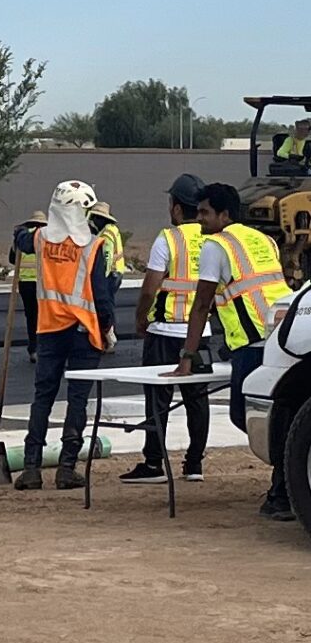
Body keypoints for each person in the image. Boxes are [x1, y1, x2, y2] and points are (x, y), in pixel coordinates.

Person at [169, 182, 291, 520]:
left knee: (246, 415)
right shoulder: (263, 239)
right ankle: (284, 485)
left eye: (206, 212)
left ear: (224, 215)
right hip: (282, 336)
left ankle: (283, 488)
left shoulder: (215, 245)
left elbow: (202, 304)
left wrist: (186, 358)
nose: (200, 218)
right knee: (277, 416)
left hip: (253, 343)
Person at [15, 179, 118, 492]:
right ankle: (66, 469)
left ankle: (31, 468)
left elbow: (19, 238)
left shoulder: (41, 240)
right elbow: (101, 296)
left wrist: (27, 228)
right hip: (84, 331)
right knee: (77, 399)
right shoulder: (94, 245)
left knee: (42, 396)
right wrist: (108, 327)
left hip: (49, 330)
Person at [124, 174, 211, 484]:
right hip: (200, 333)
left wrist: (140, 318)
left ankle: (153, 463)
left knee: (157, 398)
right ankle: (195, 464)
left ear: (176, 209)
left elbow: (150, 288)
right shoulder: (212, 238)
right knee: (197, 399)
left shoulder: (169, 239)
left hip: (166, 330)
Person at [9, 207, 45, 359]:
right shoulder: (44, 238)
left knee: (31, 316)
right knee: (43, 317)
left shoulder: (21, 238)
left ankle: (33, 348)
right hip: (42, 283)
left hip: (25, 283)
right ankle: (42, 348)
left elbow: (11, 259)